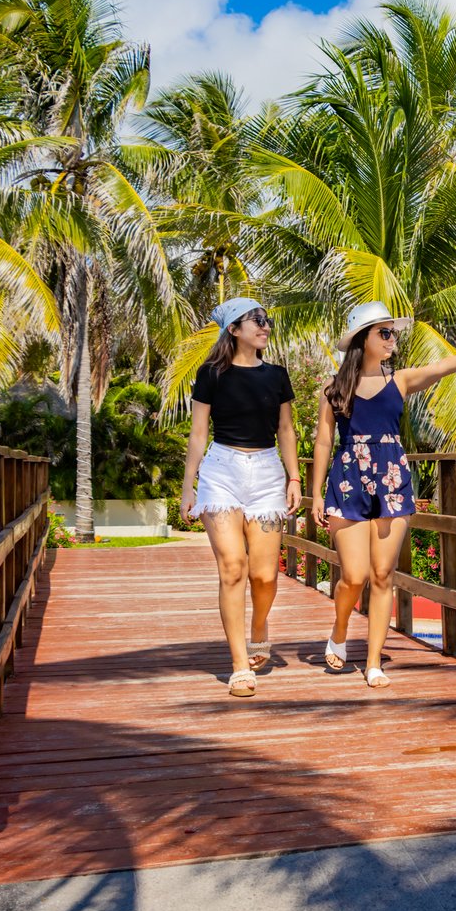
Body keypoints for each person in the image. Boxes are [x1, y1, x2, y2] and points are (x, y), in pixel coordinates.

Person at [310, 301, 456, 687]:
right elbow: (322, 442)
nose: (391, 339)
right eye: (384, 332)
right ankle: (338, 631)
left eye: (392, 333)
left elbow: (440, 369)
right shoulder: (333, 391)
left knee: (383, 574)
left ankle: (372, 663)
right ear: (362, 340)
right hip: (348, 478)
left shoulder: (399, 380)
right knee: (354, 575)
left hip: (391, 478)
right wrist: (316, 494)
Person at [180, 297, 300, 697]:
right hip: (222, 471)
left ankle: (260, 627)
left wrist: (294, 477)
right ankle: (238, 665)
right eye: (256, 321)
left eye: (266, 319)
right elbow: (199, 434)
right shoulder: (211, 373)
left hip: (267, 473)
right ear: (233, 329)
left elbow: (286, 430)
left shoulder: (277, 375)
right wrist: (188, 486)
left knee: (264, 575)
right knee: (233, 566)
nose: (265, 326)